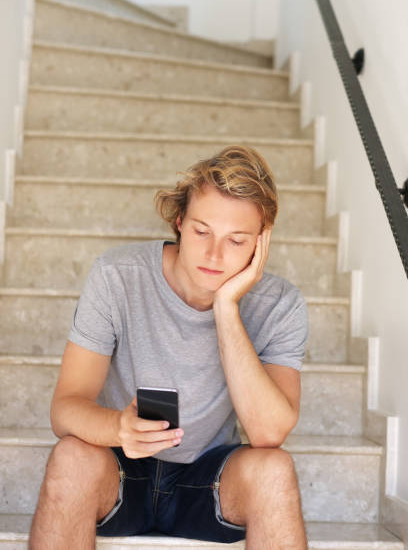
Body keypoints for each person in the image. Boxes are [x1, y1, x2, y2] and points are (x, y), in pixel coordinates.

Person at [29, 145, 309, 549]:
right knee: (71, 457)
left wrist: (226, 307)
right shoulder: (116, 276)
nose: (214, 255)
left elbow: (269, 433)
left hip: (208, 481)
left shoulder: (280, 304)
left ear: (260, 244)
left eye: (236, 240)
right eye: (201, 231)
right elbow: (65, 408)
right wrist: (119, 428)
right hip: (121, 469)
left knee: (275, 470)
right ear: (179, 221)